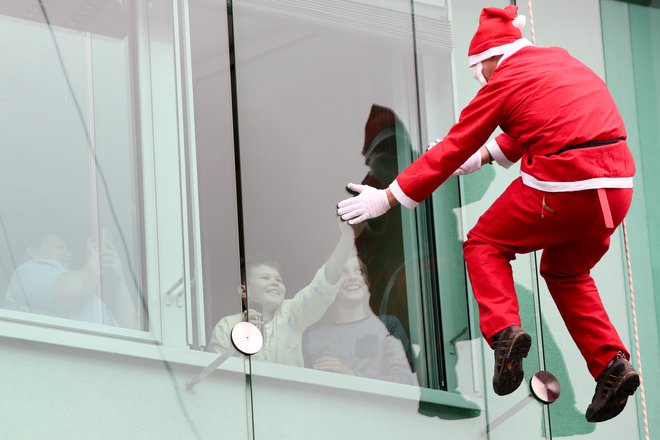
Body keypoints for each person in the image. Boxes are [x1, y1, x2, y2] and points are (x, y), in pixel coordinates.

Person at [336, 5, 638, 423]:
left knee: (483, 243)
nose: (481, 80)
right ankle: (611, 366)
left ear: (490, 58)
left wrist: (386, 198)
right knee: (567, 272)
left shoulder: (506, 79)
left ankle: (504, 334)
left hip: (565, 182)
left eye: (479, 72)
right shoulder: (560, 62)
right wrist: (484, 156)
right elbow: (545, 121)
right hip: (616, 190)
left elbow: (450, 149)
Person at [206, 220, 361, 367]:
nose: (275, 282)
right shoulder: (227, 325)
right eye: (265, 278)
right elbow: (217, 376)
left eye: (279, 280)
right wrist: (240, 339)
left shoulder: (291, 315)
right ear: (244, 290)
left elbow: (322, 287)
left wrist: (346, 239)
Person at [303, 253, 416, 385]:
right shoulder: (313, 338)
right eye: (343, 273)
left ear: (367, 283)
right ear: (330, 286)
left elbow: (403, 381)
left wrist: (351, 375)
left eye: (358, 271)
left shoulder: (388, 326)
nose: (352, 277)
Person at [4, 230, 137, 327]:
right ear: (33, 252)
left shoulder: (88, 296)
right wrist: (94, 257)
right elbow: (77, 291)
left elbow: (128, 330)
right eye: (59, 247)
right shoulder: (28, 272)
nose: (70, 255)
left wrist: (119, 281)